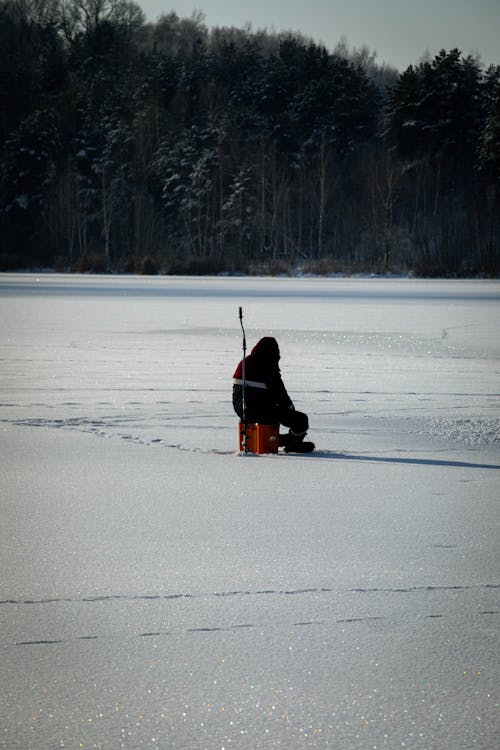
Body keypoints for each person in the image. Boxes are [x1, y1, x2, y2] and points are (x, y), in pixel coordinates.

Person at [232, 336, 314, 452]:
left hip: (241, 409)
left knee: (269, 411)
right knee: (300, 420)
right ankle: (290, 444)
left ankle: (274, 439)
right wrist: (290, 409)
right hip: (261, 410)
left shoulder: (244, 363)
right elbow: (280, 394)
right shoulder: (268, 365)